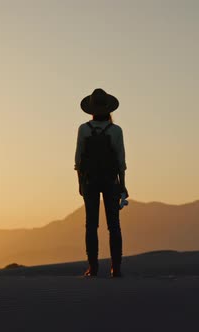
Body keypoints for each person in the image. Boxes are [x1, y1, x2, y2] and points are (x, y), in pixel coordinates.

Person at [74, 88, 128, 278]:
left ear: (91, 110)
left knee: (91, 225)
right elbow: (121, 161)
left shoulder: (84, 129)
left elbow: (78, 159)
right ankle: (116, 268)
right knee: (114, 225)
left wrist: (80, 182)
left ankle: (93, 267)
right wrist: (123, 185)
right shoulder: (115, 130)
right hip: (110, 180)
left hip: (90, 180)